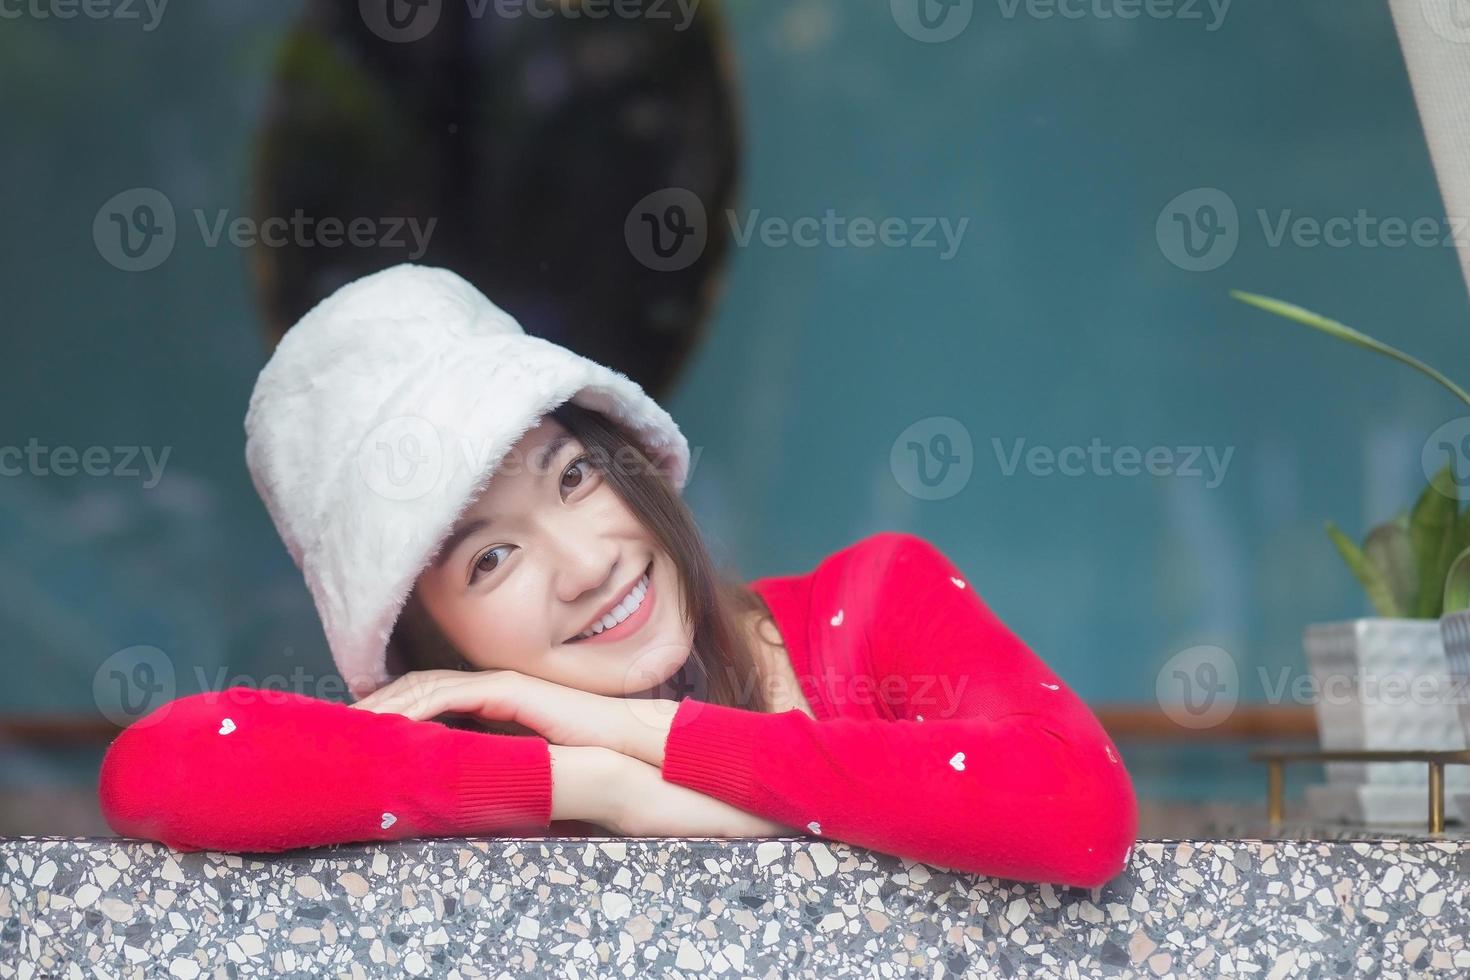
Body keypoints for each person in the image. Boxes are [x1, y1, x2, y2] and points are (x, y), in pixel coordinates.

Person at [97, 264, 1137, 888]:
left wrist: (646, 739)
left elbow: (1080, 810)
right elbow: (165, 770)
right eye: (489, 555)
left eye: (575, 474)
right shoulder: (464, 753)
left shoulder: (870, 602)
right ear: (425, 635)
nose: (588, 561)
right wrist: (587, 786)